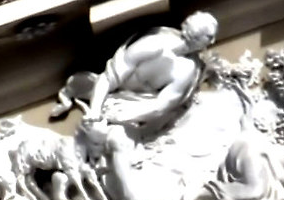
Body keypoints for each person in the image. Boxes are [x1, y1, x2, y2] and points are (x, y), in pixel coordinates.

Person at [81, 11, 218, 142]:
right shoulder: (154, 44)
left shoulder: (187, 69)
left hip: (134, 112)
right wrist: (95, 110)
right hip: (109, 99)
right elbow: (108, 79)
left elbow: (160, 107)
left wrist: (122, 117)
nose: (212, 42)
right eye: (209, 37)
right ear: (197, 37)